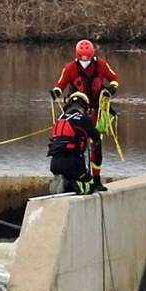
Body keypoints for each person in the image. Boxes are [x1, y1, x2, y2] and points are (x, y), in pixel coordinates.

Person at [49, 39, 119, 192]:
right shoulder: (70, 68)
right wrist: (55, 93)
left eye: (86, 58)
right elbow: (60, 85)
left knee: (96, 144)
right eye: (81, 59)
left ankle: (96, 178)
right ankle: (72, 173)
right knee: (71, 141)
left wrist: (110, 90)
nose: (84, 62)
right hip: (77, 108)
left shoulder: (101, 65)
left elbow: (114, 79)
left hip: (98, 108)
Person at [47, 92, 102, 195]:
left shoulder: (60, 118)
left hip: (55, 163)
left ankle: (61, 182)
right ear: (85, 107)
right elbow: (96, 138)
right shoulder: (84, 119)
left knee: (70, 180)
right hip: (73, 164)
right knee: (89, 186)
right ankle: (67, 184)